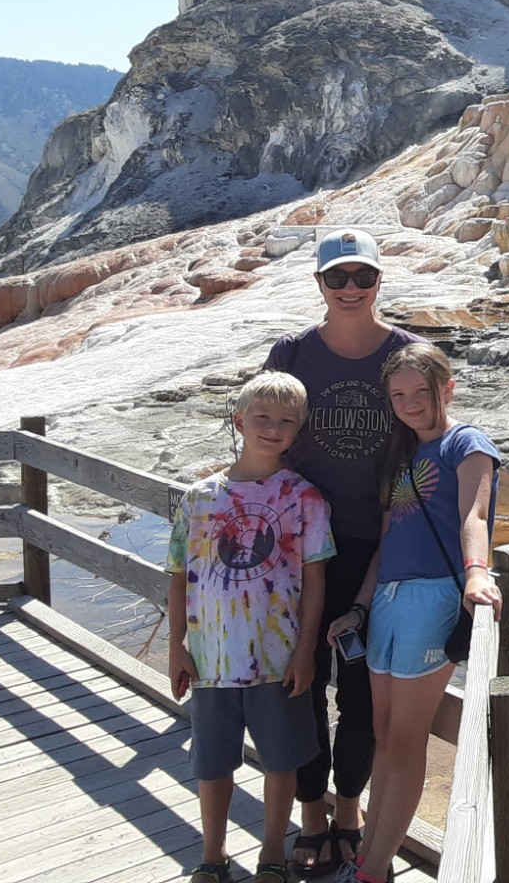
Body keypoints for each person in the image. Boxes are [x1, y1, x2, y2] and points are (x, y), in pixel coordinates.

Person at [263, 228, 424, 874]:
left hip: (371, 543)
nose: (351, 289)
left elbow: (432, 435)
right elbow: (264, 425)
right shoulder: (293, 351)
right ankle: (310, 814)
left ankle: (349, 809)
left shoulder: (408, 351)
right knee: (298, 684)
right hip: (297, 548)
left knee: (359, 690)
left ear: (380, 281)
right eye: (338, 278)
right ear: (320, 285)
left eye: (363, 277)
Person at [327, 342, 501, 883]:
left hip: (432, 597)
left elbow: (476, 513)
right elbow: (387, 541)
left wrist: (477, 571)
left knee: (406, 739)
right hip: (387, 601)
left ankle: (372, 870)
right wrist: (358, 607)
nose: (408, 403)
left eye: (419, 392)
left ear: (445, 389)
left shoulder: (466, 443)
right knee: (382, 733)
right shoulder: (403, 455)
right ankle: (366, 860)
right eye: (398, 394)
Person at [166, 371, 335, 883]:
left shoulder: (306, 499)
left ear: (298, 429)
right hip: (213, 660)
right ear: (239, 420)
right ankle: (212, 858)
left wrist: (306, 651)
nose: (273, 428)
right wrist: (177, 647)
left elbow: (316, 584)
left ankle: (272, 857)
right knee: (212, 766)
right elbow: (178, 576)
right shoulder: (198, 499)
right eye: (262, 417)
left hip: (277, 659)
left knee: (280, 762)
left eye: (286, 421)